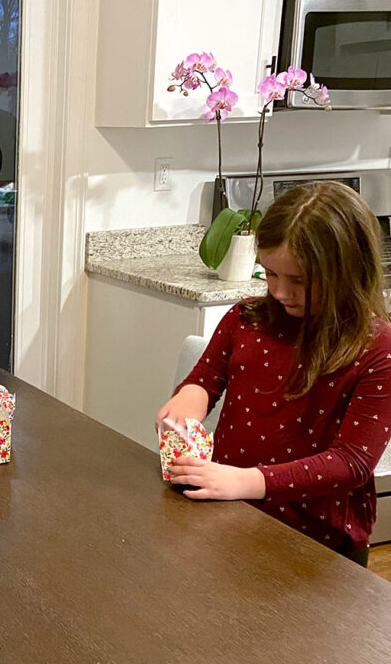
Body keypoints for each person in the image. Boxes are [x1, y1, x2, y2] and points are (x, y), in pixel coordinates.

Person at [156, 181, 391, 567]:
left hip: (320, 544)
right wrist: (187, 402)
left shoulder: (376, 349)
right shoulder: (246, 319)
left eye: (298, 280)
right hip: (231, 515)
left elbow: (351, 463)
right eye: (270, 274)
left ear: (348, 272)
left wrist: (243, 481)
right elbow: (206, 378)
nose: (280, 292)